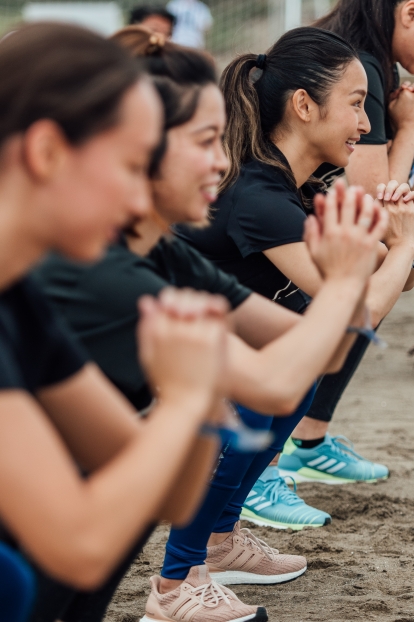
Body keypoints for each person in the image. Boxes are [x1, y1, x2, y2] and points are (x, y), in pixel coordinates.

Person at [35, 26, 389, 622]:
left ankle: (192, 571)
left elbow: (300, 368)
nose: (225, 161)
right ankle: (178, 586)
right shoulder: (99, 276)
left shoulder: (167, 256)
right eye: (204, 142)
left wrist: (351, 278)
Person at [0, 22, 249, 622]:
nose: (141, 203)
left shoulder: (17, 295)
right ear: (48, 152)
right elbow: (80, 546)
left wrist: (194, 400)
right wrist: (187, 398)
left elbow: (167, 493)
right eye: (133, 166)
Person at [176, 25, 414, 485]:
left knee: (308, 344)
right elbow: (362, 311)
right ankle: (228, 516)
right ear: (305, 106)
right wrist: (405, 245)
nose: (366, 125)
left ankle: (230, 523)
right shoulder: (258, 195)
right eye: (356, 105)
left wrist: (406, 239)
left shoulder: (297, 186)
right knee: (308, 342)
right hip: (150, 371)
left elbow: (393, 275)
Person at [270, 0, 414, 474]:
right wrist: (410, 130)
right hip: (274, 220)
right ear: (412, 13)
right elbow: (375, 204)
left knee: (381, 266)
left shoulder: (363, 58)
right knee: (367, 271)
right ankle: (279, 455)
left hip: (287, 213)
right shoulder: (359, 65)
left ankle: (305, 440)